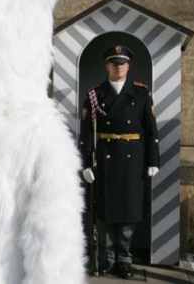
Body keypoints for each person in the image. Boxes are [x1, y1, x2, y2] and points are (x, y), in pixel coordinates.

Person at [79, 45, 160, 279]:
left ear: (129, 66)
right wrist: (85, 164)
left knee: (128, 209)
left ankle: (125, 258)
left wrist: (152, 159)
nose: (119, 67)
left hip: (133, 158)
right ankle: (107, 257)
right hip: (105, 157)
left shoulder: (141, 93)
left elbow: (150, 128)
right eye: (114, 63)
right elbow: (86, 133)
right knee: (105, 210)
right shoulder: (94, 94)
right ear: (107, 66)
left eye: (123, 63)